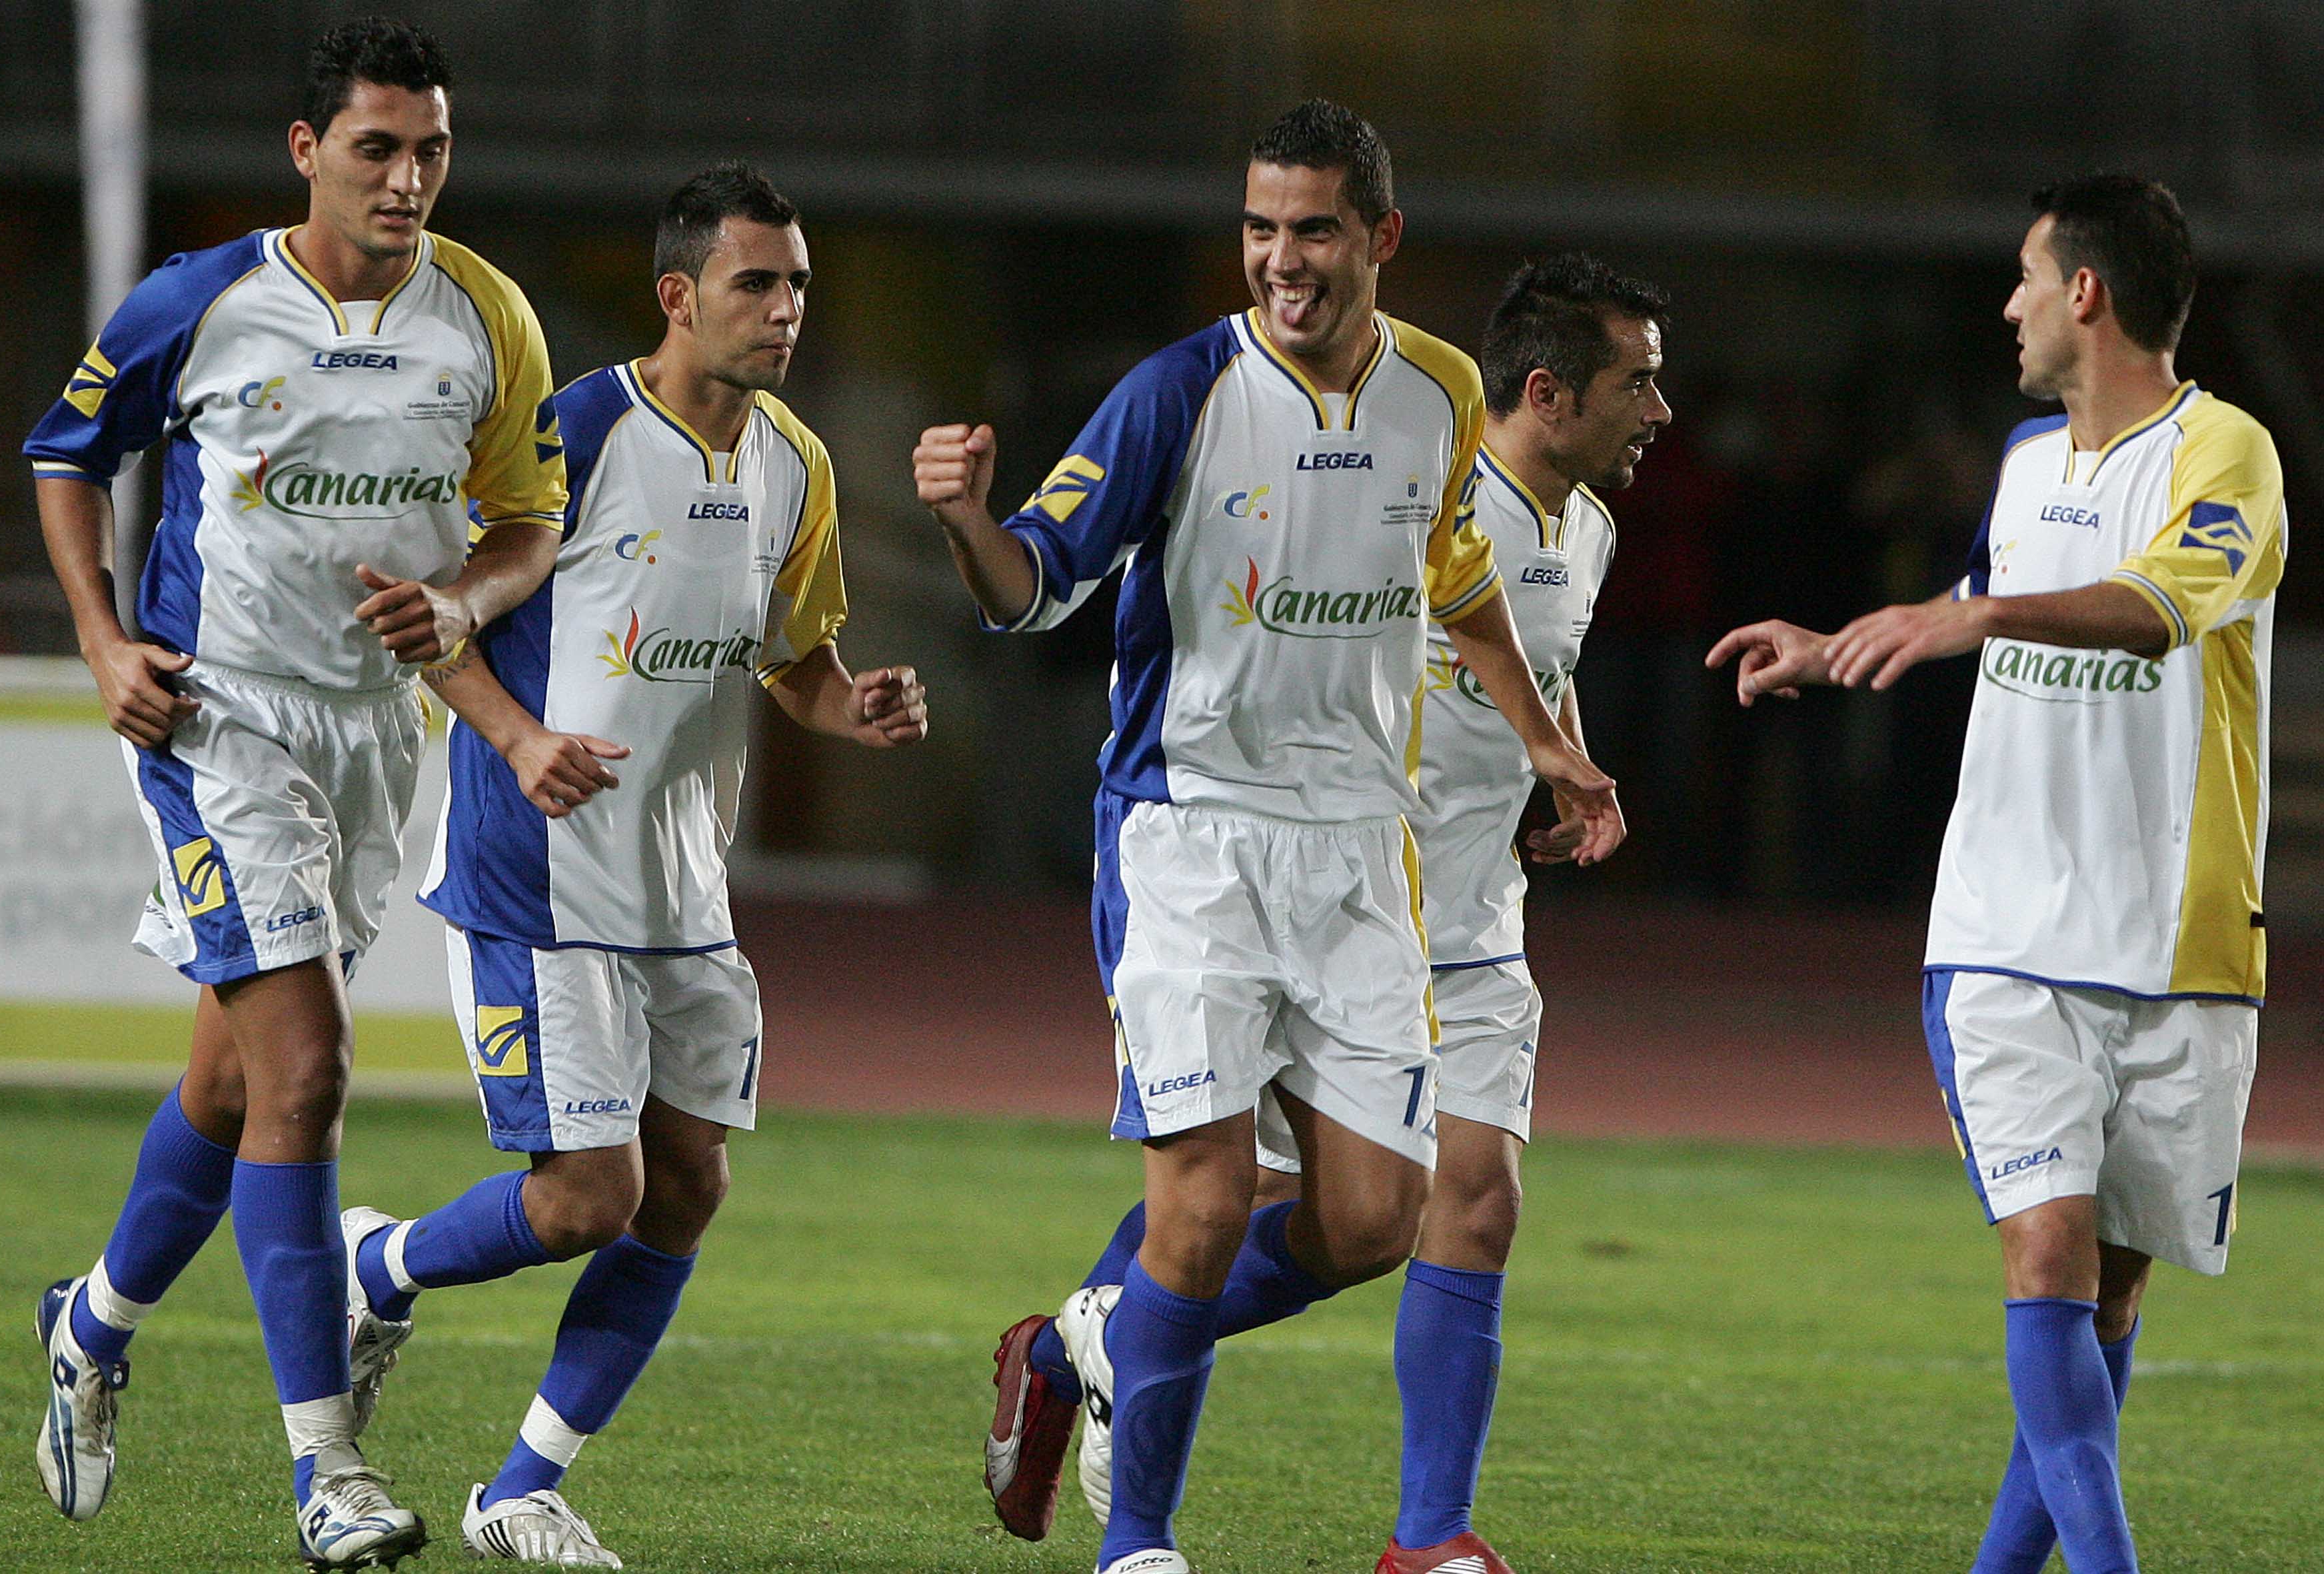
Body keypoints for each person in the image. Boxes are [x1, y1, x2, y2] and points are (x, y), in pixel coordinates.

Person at [922, 101, 1622, 1574]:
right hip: (1194, 836)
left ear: (1379, 237)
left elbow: (1457, 581)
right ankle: (1144, 1545)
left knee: (1376, 1217)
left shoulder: (1435, 389)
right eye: (1258, 230)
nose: (1279, 261)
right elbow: (1035, 585)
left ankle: (1067, 1352)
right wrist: (969, 523)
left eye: (1310, 230)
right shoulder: (1177, 392)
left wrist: (1556, 749)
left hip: (1364, 848)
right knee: (1202, 1201)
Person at [23, 18, 565, 1565]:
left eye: (432, 148)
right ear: (307, 151)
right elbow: (66, 451)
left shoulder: (486, 316)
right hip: (216, 722)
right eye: (379, 147)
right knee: (311, 1062)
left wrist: (463, 600)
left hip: (375, 730)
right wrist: (101, 634)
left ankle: (92, 1321)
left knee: (233, 1076)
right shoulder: (199, 301)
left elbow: (529, 518)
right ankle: (328, 1472)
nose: (409, 178)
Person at [335, 162, 926, 1567]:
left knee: (690, 1186)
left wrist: (857, 705)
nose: (784, 310)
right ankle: (379, 1267)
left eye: (795, 284)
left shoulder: (797, 460)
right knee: (585, 1197)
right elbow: (438, 615)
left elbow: (795, 662)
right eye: (755, 284)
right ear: (679, 295)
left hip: (682, 887)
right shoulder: (575, 432)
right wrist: (520, 737)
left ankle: (521, 1484)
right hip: (537, 873)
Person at [1708, 175, 2280, 1574]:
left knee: (2106, 1302)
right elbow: (1959, 618)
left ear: (2083, 291)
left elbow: (2150, 608)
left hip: (2177, 941)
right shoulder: (2023, 463)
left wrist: (1965, 610)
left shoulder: (2227, 454)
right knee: (2044, 1256)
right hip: (2004, 932)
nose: (2007, 304)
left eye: (2024, 278)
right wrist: (1836, 641)